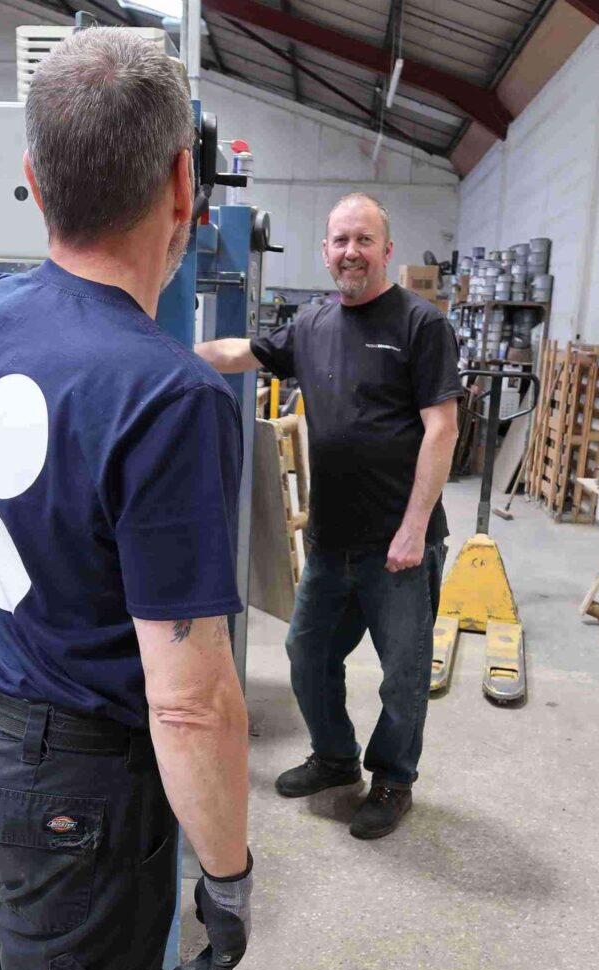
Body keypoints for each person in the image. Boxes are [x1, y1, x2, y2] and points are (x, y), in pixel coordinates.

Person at [0, 29, 252, 970]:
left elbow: (75, 374)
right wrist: (228, 875)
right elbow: (190, 703)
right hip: (71, 788)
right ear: (183, 185)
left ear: (33, 176)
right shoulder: (167, 403)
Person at [196, 193, 462, 840]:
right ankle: (335, 758)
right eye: (340, 240)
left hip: (398, 544)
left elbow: (441, 429)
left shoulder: (420, 325)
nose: (351, 252)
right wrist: (158, 350)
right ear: (324, 250)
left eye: (364, 240)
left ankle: (393, 779)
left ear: (386, 250)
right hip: (330, 538)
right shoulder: (312, 325)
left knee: (402, 675)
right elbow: (238, 353)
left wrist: (412, 526)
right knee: (307, 653)